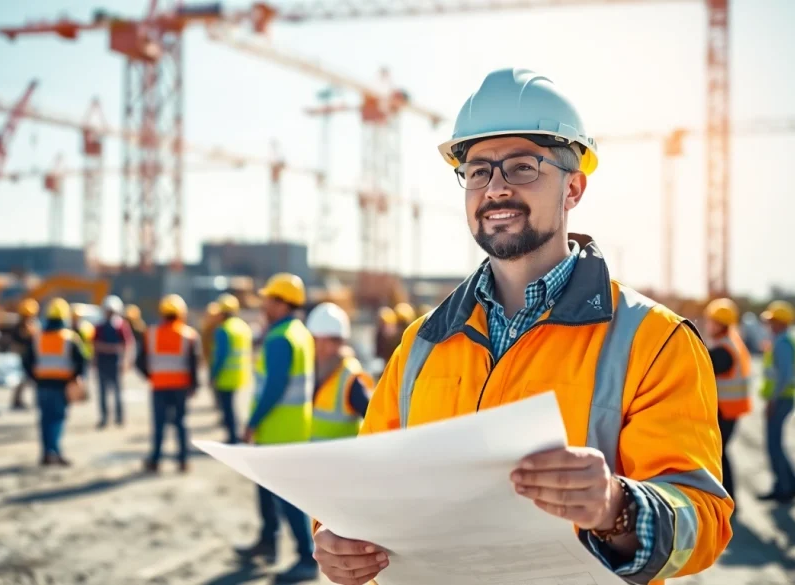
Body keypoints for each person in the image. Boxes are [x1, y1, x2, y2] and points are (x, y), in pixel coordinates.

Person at [312, 68, 731, 585]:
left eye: (523, 167)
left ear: (573, 187)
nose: (496, 188)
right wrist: (337, 541)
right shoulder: (422, 343)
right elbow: (366, 488)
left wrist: (615, 507)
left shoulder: (653, 340)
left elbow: (704, 523)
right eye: (478, 171)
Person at [236, 273, 318, 583]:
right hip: (291, 428)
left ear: (281, 302)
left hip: (278, 430)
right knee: (269, 493)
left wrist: (252, 422)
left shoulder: (280, 337)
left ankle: (305, 558)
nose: (263, 303)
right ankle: (268, 543)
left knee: (288, 498)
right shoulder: (299, 332)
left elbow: (274, 387)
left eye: (268, 298)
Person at [136, 294, 200, 473]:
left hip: (159, 385)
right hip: (181, 386)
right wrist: (194, 386)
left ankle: (155, 460)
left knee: (159, 425)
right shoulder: (189, 335)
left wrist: (152, 376)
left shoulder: (151, 333)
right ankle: (183, 460)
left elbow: (139, 361)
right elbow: (194, 364)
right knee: (181, 422)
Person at [21, 298, 86, 466]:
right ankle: (54, 451)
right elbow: (81, 361)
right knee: (57, 419)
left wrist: (34, 376)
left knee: (45, 419)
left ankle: (47, 453)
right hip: (60, 384)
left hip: (42, 384)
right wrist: (74, 378)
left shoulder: (37, 337)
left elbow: (26, 361)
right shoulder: (70, 338)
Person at [703, 298, 752, 507]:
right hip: (731, 409)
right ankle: (727, 499)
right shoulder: (731, 342)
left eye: (710, 321)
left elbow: (705, 365)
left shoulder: (724, 350)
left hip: (726, 410)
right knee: (720, 454)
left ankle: (727, 500)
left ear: (719, 324)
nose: (707, 325)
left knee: (718, 455)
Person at [758, 300, 795, 503]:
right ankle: (792, 485)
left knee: (774, 445)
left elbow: (784, 377)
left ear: (782, 323)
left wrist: (772, 401)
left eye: (773, 321)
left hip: (781, 399)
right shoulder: (780, 341)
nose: (770, 324)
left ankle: (784, 488)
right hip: (782, 398)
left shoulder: (783, 343)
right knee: (776, 444)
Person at [306, 302, 374, 441]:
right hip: (312, 456)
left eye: (328, 341)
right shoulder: (309, 369)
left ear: (340, 343)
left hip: (342, 459)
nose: (321, 347)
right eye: (317, 340)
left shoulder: (350, 377)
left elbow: (374, 418)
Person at [209, 293, 252, 444]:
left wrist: (213, 375)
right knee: (235, 408)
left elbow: (220, 356)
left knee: (228, 410)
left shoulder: (224, 329)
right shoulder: (243, 327)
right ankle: (237, 435)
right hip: (241, 374)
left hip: (226, 376)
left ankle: (233, 438)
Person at [93, 295, 133, 429]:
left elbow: (127, 344)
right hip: (103, 362)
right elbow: (95, 344)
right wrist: (109, 349)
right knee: (102, 392)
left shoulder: (121, 326)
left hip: (116, 362)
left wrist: (125, 360)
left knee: (117, 392)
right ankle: (104, 418)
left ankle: (120, 417)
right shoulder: (99, 326)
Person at [10, 298, 40, 410]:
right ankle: (17, 401)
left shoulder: (34, 324)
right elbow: (18, 342)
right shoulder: (20, 327)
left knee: (31, 380)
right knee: (24, 379)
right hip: (25, 357)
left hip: (33, 356)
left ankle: (34, 401)